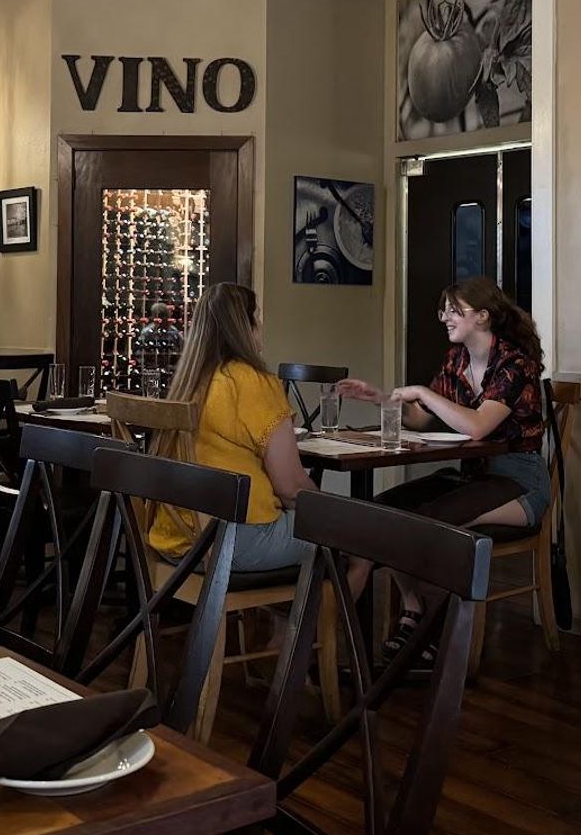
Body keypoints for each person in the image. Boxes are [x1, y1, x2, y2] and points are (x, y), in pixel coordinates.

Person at [336, 275, 550, 660]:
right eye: (444, 311)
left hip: (521, 483)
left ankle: (436, 635)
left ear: (483, 317)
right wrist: (382, 398)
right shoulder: (458, 360)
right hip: (474, 476)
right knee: (388, 512)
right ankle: (415, 609)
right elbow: (419, 419)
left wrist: (423, 391)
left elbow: (479, 425)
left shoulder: (514, 363)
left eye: (454, 311)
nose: (445, 318)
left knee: (432, 522)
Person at [146, 283, 317, 572]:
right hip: (231, 542)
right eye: (257, 317)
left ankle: (288, 615)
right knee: (354, 537)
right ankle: (315, 618)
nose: (261, 325)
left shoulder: (189, 383)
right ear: (245, 327)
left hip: (175, 539)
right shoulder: (253, 383)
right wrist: (334, 513)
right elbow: (290, 488)